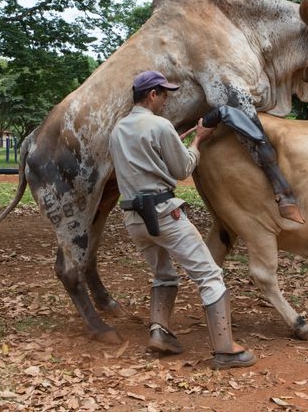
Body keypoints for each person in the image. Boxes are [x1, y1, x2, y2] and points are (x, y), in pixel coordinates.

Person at [108, 70, 256, 369]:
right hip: (164, 213)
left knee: (163, 274)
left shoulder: (118, 130)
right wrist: (198, 140)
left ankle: (160, 332)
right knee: (210, 276)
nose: (166, 100)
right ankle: (225, 349)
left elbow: (138, 164)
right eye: (164, 94)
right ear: (152, 94)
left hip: (133, 218)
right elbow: (182, 169)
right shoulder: (160, 125)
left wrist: (168, 145)